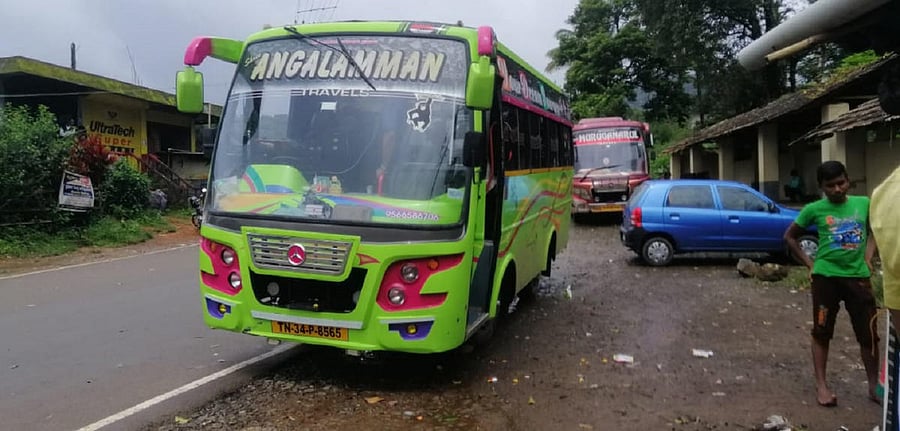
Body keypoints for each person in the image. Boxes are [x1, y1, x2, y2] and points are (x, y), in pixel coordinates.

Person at [784, 160, 880, 407]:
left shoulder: (864, 203)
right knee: (822, 331)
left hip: (858, 279)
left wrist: (869, 257)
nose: (837, 189)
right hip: (825, 279)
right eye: (830, 186)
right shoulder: (813, 209)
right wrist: (810, 263)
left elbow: (875, 230)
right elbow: (790, 236)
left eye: (841, 183)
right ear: (821, 187)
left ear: (848, 180)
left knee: (868, 333)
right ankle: (822, 387)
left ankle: (873, 386)